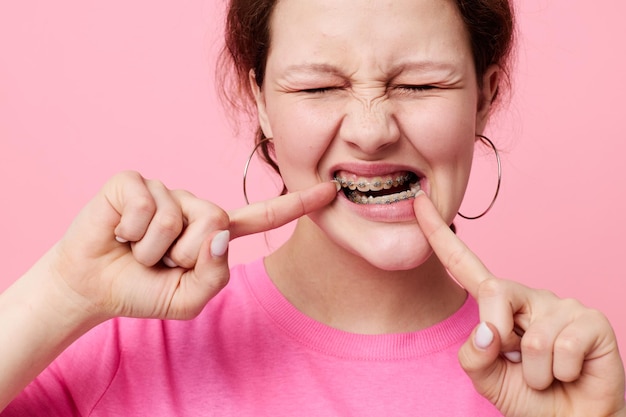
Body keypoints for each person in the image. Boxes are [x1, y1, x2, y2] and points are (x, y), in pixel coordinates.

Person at [1, 0, 624, 415]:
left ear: (484, 97)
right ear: (263, 102)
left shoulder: (555, 376)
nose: (373, 130)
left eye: (420, 84)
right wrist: (62, 292)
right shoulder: (122, 343)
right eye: (320, 88)